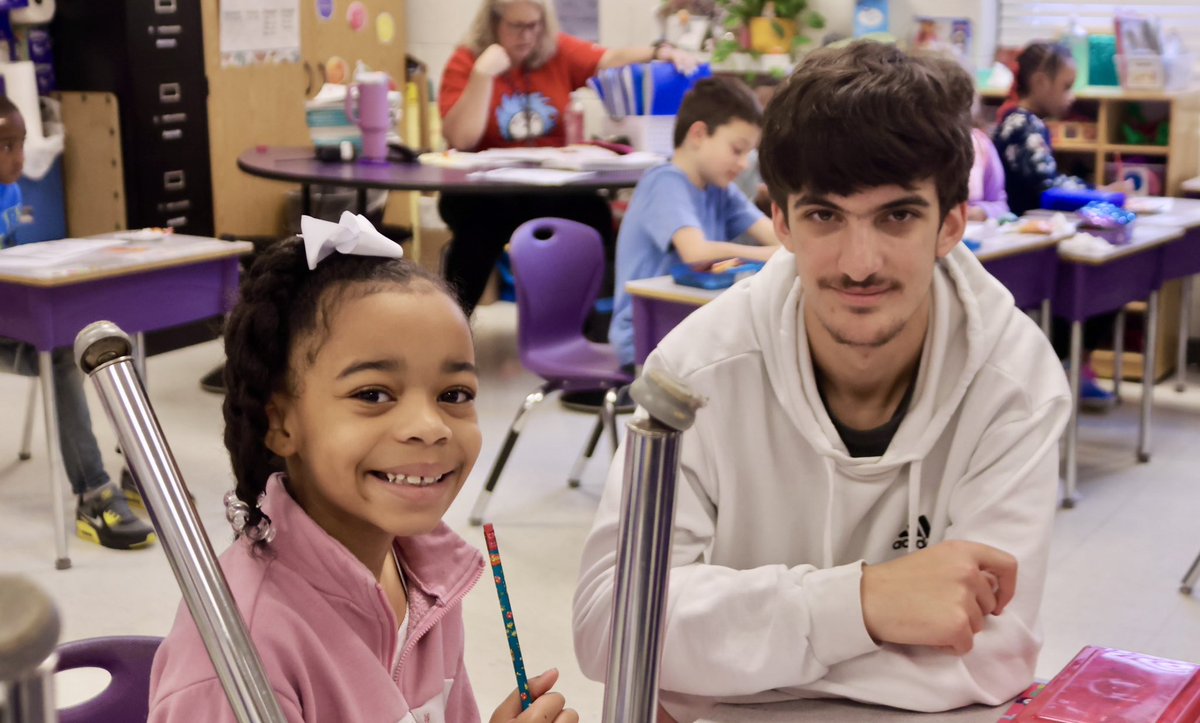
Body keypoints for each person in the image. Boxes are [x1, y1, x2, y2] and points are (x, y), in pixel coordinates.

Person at [573, 41, 1071, 722]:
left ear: (951, 222)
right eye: (824, 215)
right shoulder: (692, 374)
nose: (859, 264)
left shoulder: (1016, 379)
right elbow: (612, 625)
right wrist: (865, 603)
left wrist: (725, 659)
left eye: (897, 215)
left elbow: (990, 654)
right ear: (780, 220)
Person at [148, 218, 576, 723]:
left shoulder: (429, 576)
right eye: (373, 394)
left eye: (454, 395)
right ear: (281, 423)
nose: (429, 426)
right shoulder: (239, 661)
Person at [437, 0, 698, 316]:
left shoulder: (555, 52)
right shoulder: (467, 61)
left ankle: (589, 324)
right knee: (481, 227)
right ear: (493, 24)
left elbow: (610, 58)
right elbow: (462, 139)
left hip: (548, 187)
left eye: (535, 25)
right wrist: (482, 75)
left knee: (594, 214)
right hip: (484, 191)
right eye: (517, 26)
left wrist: (660, 52)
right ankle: (452, 322)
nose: (527, 36)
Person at [0, 95, 155, 551]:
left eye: (21, 143)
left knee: (98, 338)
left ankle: (138, 469)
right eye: (6, 146)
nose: (19, 158)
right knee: (63, 358)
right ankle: (93, 494)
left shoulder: (11, 190)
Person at [609, 77, 779, 369]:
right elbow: (695, 252)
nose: (744, 164)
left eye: (749, 154)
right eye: (737, 150)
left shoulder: (720, 190)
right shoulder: (664, 181)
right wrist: (768, 255)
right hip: (646, 333)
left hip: (691, 324)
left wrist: (783, 249)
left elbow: (779, 238)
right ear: (699, 134)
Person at [993, 41, 1128, 409]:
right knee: (1104, 278)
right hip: (1027, 242)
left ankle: (1073, 366)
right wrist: (1101, 195)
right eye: (1066, 85)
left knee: (1111, 267)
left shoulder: (1026, 122)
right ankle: (1066, 366)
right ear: (1040, 81)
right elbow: (1046, 187)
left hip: (1041, 235)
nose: (1071, 96)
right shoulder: (1023, 124)